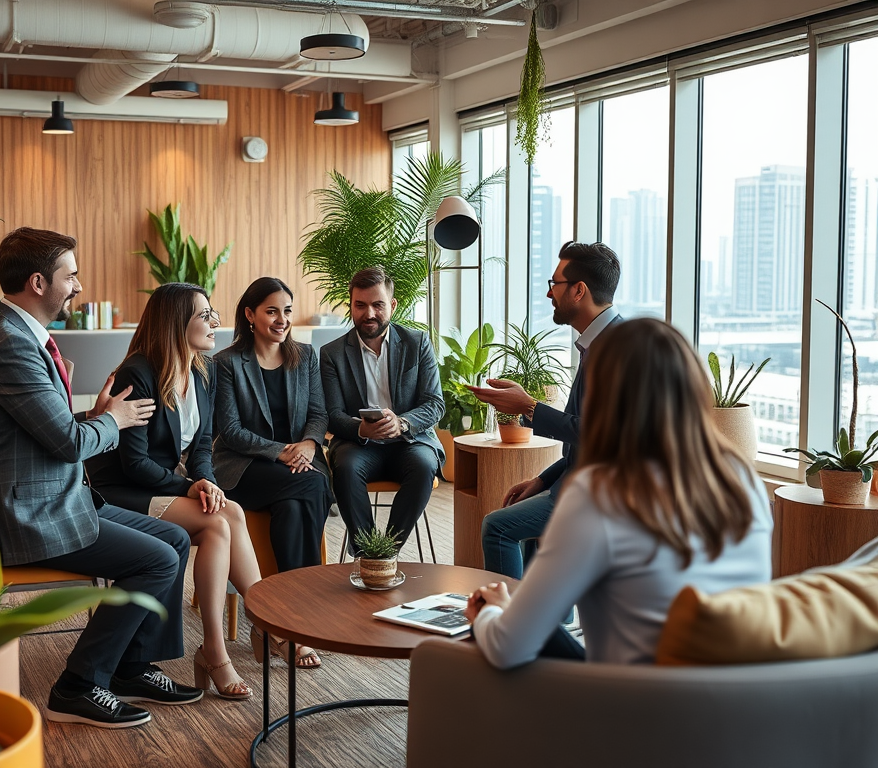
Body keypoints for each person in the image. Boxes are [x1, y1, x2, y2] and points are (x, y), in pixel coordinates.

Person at [0, 227, 202, 729]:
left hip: (58, 497)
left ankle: (130, 666)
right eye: (70, 275)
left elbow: (53, 432)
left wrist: (97, 415)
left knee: (175, 540)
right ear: (38, 282)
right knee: (156, 560)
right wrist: (115, 421)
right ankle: (78, 686)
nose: (78, 285)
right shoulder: (10, 345)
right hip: (23, 515)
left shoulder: (21, 333)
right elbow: (70, 443)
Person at [464, 318, 773, 667]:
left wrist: (492, 614)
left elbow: (509, 649)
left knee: (487, 641)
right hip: (736, 701)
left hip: (635, 706)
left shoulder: (601, 491)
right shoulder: (741, 479)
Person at [87, 283, 261, 700]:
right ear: (175, 323)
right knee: (217, 525)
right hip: (121, 489)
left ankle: (266, 624)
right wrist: (189, 484)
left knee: (230, 512)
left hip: (160, 483)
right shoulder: (139, 373)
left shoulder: (204, 369)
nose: (215, 321)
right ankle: (216, 651)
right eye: (204, 315)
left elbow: (202, 445)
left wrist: (207, 481)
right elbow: (134, 463)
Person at [468, 241, 622, 579]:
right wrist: (542, 480)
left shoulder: (616, 349)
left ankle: (513, 626)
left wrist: (528, 406)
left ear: (579, 290)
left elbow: (601, 437)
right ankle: (551, 622)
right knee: (528, 526)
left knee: (497, 527)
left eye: (555, 284)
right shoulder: (598, 342)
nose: (550, 294)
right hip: (580, 479)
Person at [213, 277, 330, 668]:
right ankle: (298, 619)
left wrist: (310, 445)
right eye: (272, 311)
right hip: (246, 467)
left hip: (299, 463)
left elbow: (317, 414)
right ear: (250, 314)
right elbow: (230, 431)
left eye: (287, 311)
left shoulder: (305, 357)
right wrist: (282, 452)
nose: (282, 320)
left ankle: (276, 623)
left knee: (297, 504)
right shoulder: (228, 363)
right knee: (312, 484)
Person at [320, 267, 444, 554]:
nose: (370, 313)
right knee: (346, 468)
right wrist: (360, 429)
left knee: (424, 465)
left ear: (393, 305)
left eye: (378, 304)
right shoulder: (332, 353)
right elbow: (332, 412)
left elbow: (435, 403)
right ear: (350, 305)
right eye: (360, 305)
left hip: (410, 441)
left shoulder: (418, 343)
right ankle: (367, 551)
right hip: (359, 444)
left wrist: (401, 423)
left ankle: (385, 551)